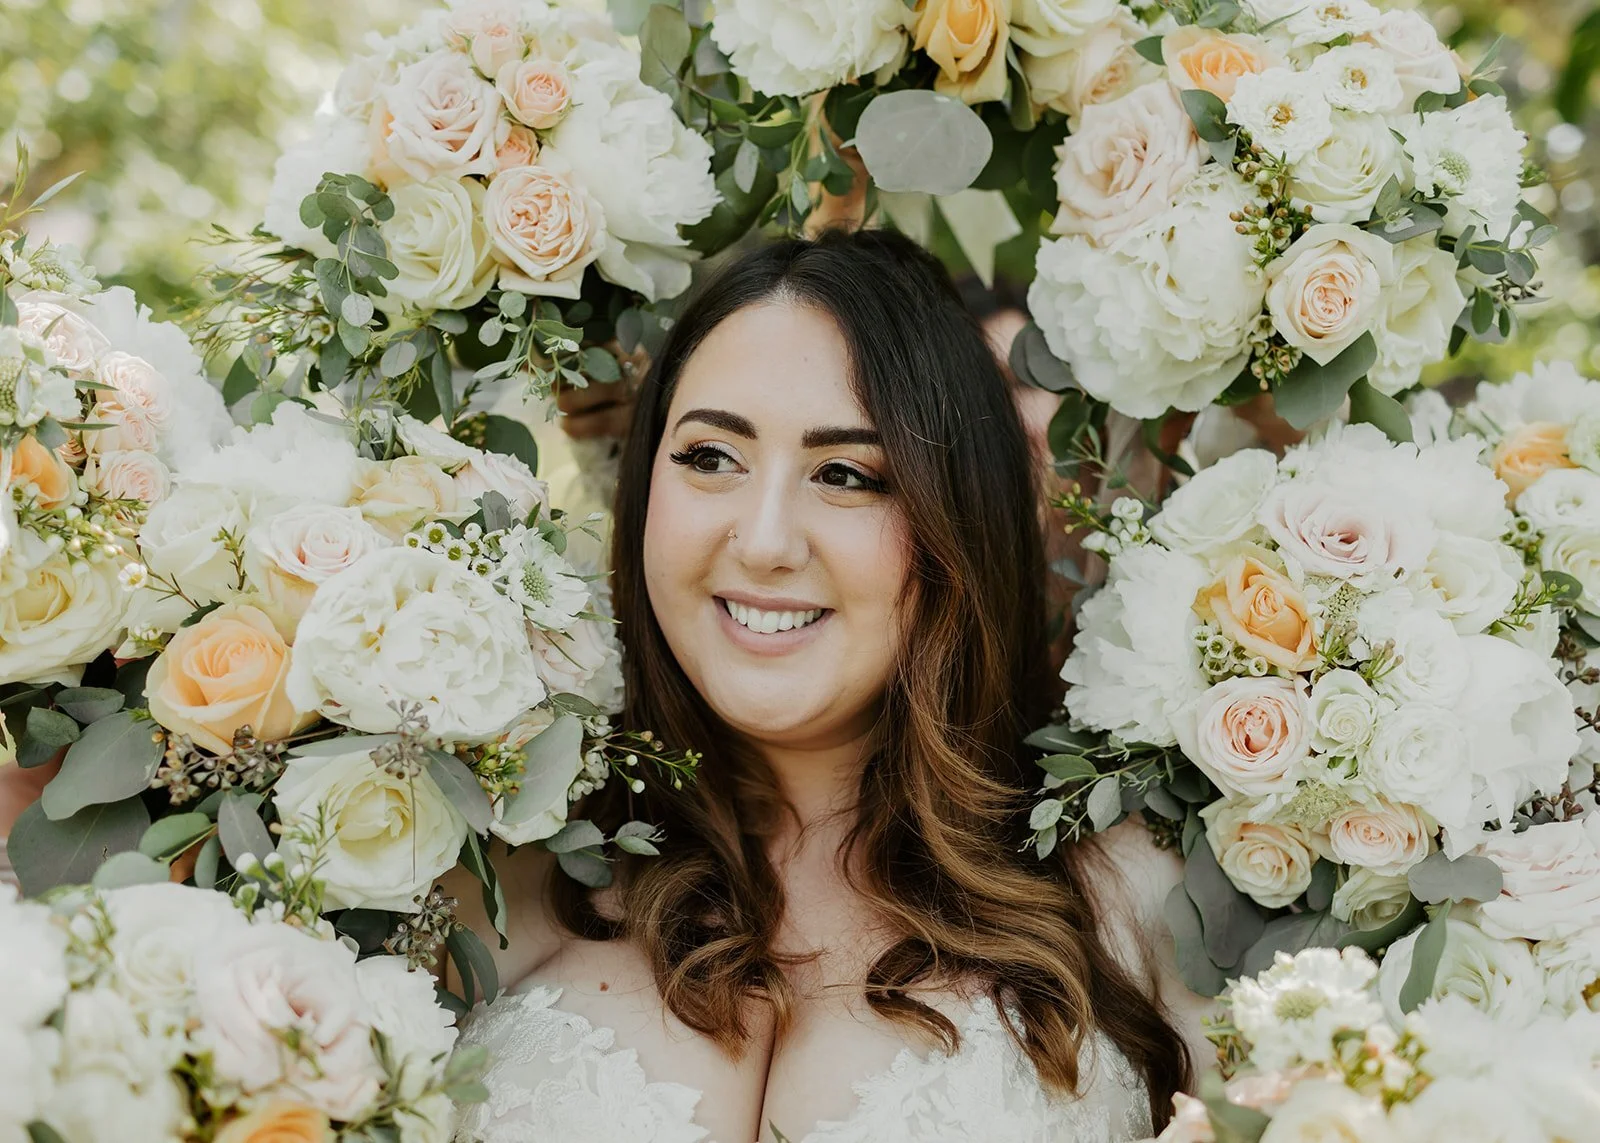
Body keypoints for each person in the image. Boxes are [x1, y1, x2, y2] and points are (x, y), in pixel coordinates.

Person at [451, 229, 1209, 1143]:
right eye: (709, 457)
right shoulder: (478, 874)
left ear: (956, 520)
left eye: (845, 474)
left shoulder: (1140, 892)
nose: (766, 540)